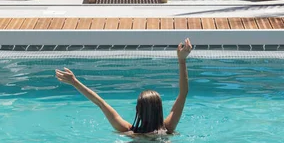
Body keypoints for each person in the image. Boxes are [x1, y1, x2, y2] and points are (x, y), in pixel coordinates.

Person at [55, 38, 192, 135]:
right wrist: (182, 60)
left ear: (138, 110)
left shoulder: (128, 131)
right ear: (160, 110)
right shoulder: (168, 129)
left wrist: (75, 82)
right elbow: (183, 93)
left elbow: (100, 103)